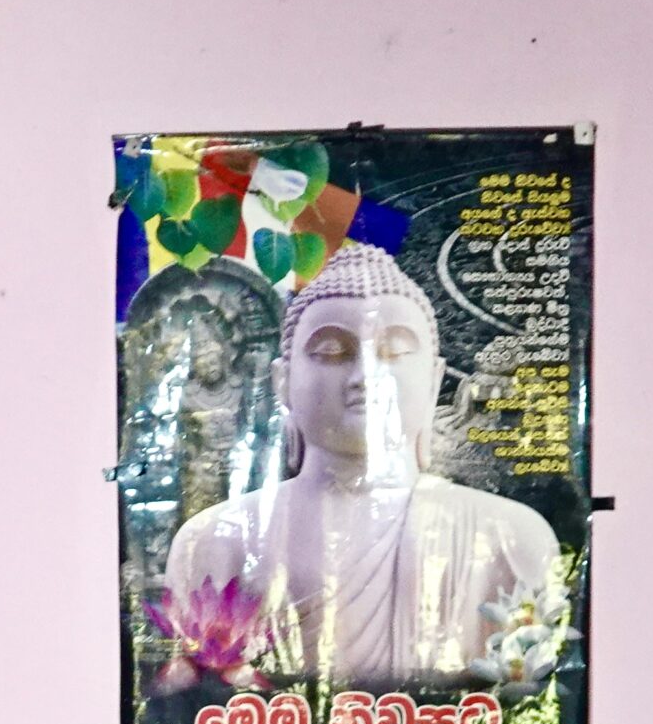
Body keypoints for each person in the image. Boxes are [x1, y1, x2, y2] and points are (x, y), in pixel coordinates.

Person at [159, 241, 560, 690]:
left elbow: (534, 716)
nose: (366, 374)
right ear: (283, 382)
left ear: (434, 381)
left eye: (395, 352)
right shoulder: (215, 541)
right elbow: (181, 714)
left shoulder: (511, 538)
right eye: (332, 351)